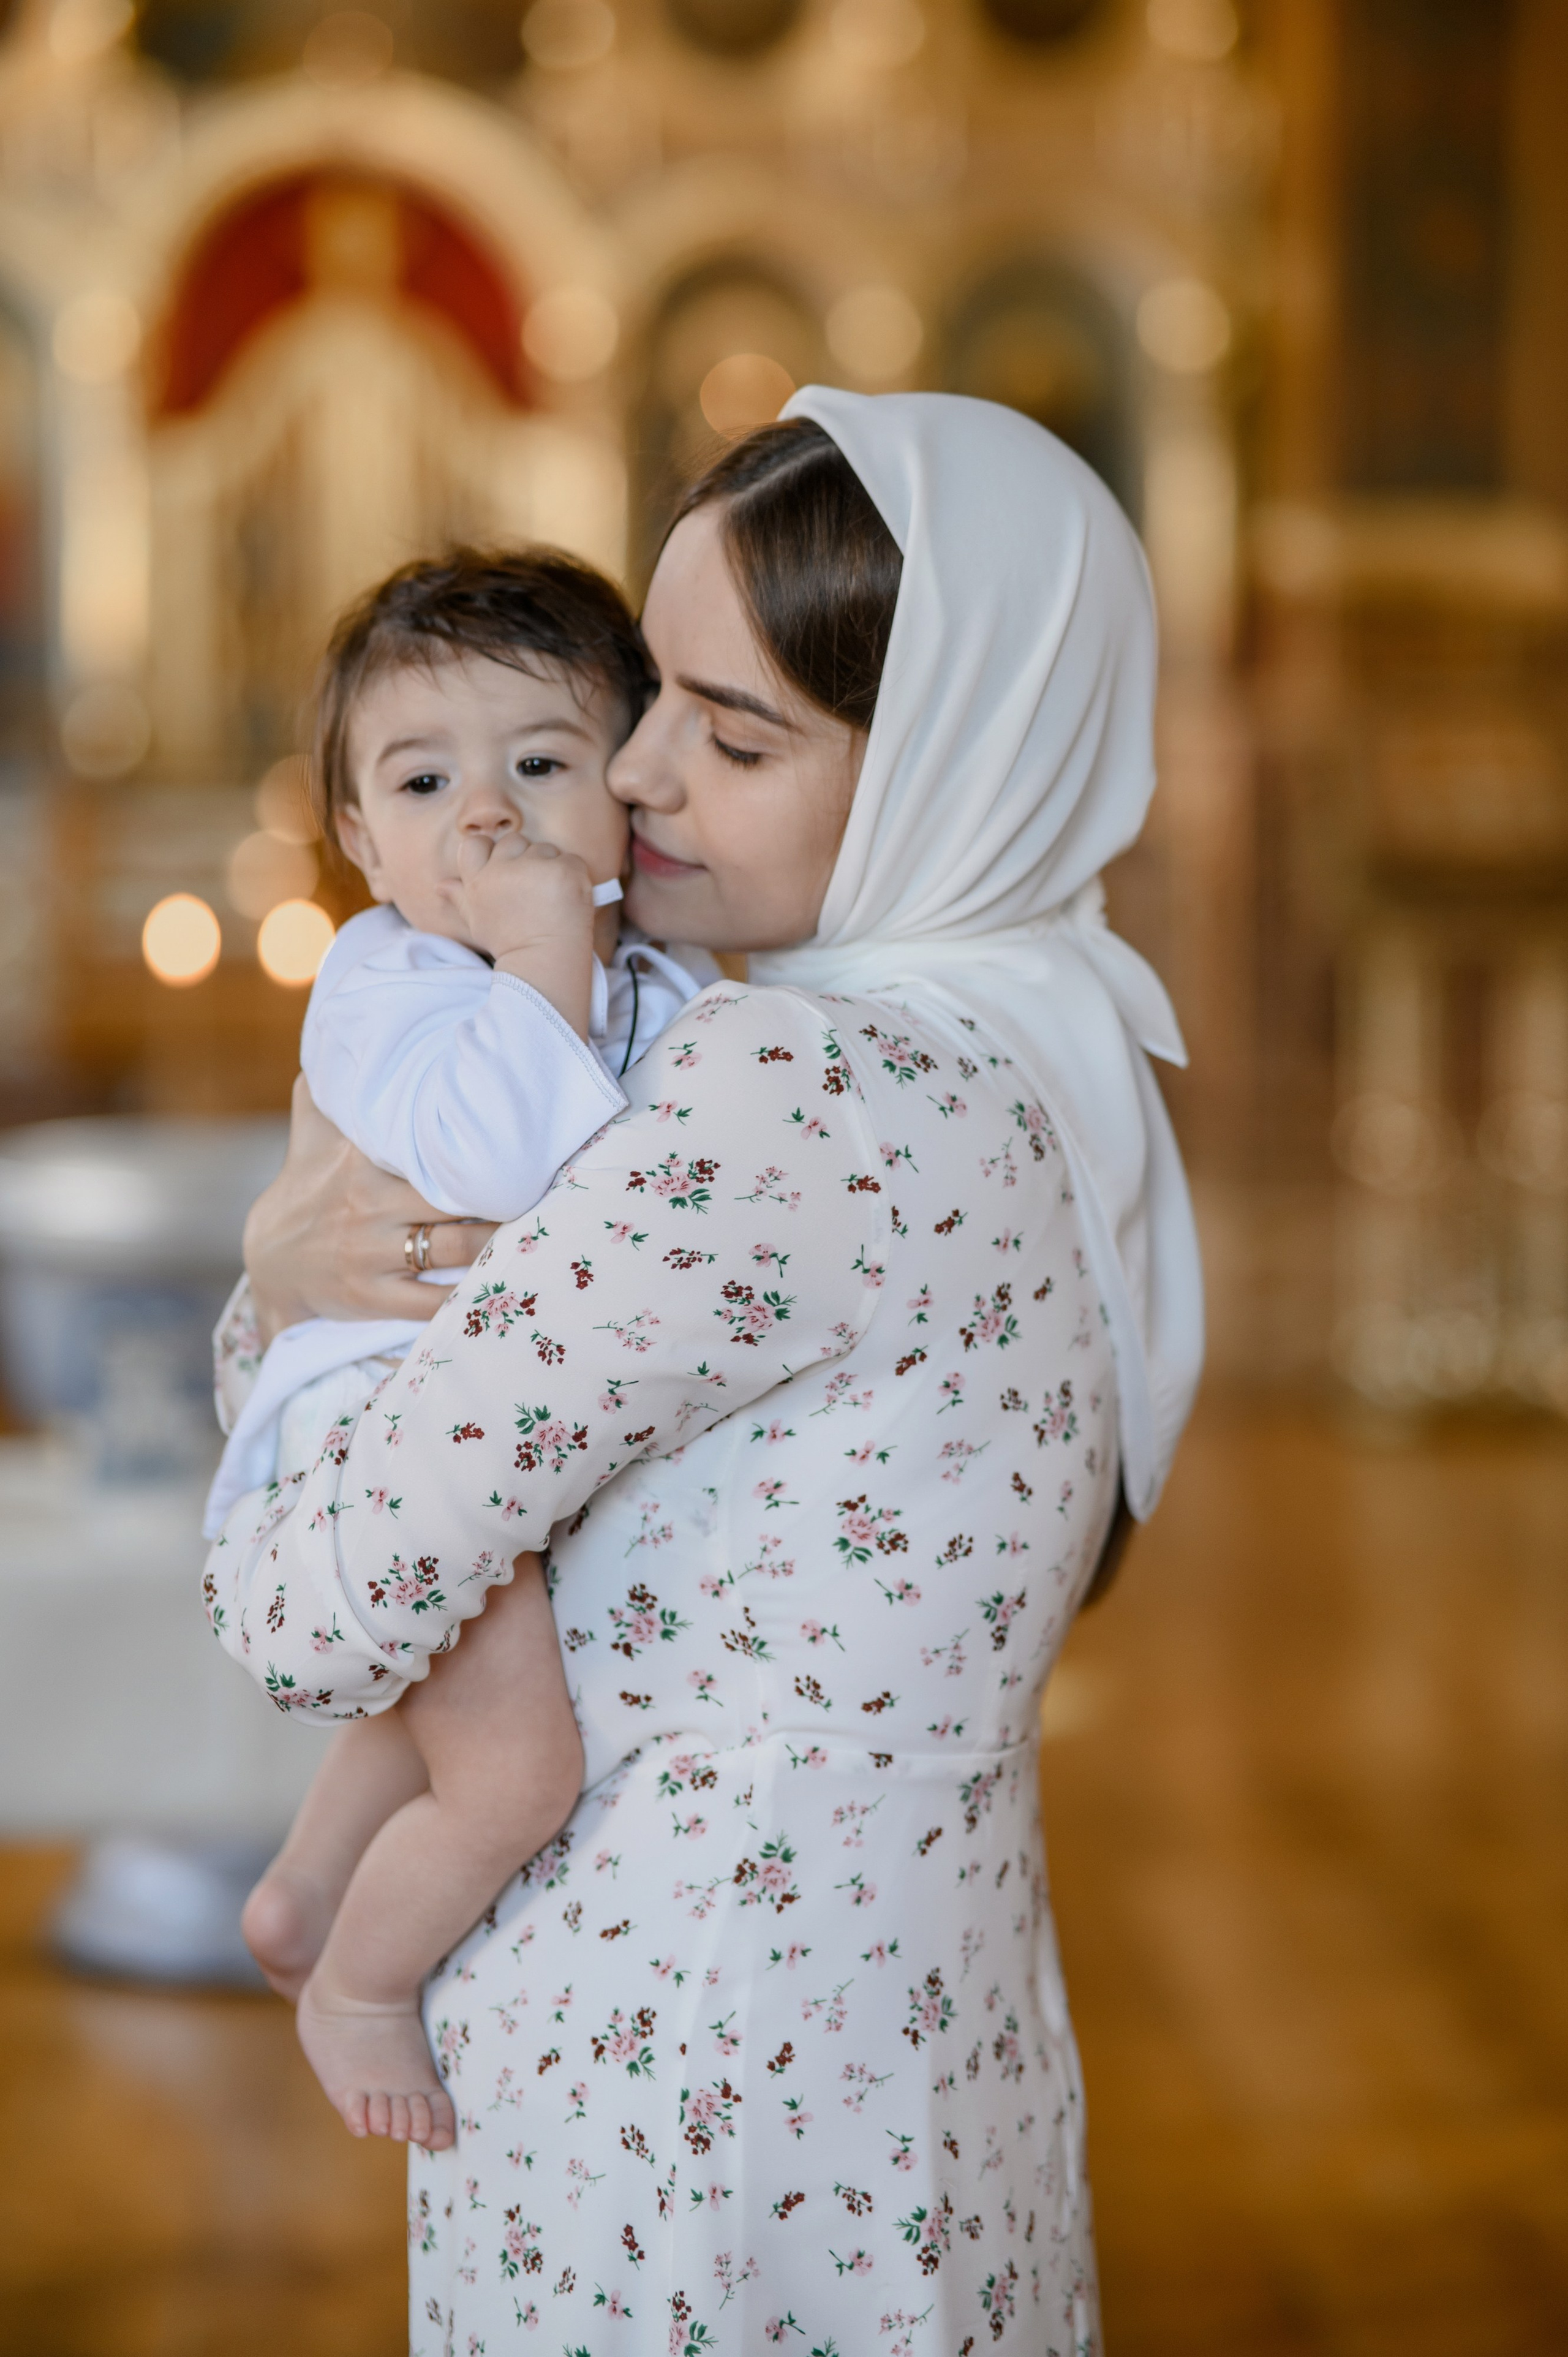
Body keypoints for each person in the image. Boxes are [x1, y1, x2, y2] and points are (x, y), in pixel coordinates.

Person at [208, 393, 1203, 2353]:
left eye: (738, 738)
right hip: (926, 2036)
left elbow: (316, 1610)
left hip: (671, 2067)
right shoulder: (1047, 1055)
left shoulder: (785, 1087)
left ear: (949, 767)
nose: (637, 769)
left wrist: (271, 1292)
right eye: (654, 689)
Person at [213, 549, 714, 2150]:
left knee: (448, 1685)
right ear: (362, 839)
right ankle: (359, 1985)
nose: (487, 818)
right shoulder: (390, 979)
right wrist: (545, 950)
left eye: (542, 766)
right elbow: (496, 1163)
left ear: (629, 784)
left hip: (489, 1417)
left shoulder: (660, 983)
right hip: (383, 1421)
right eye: (425, 783)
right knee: (513, 1775)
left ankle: (304, 1889)